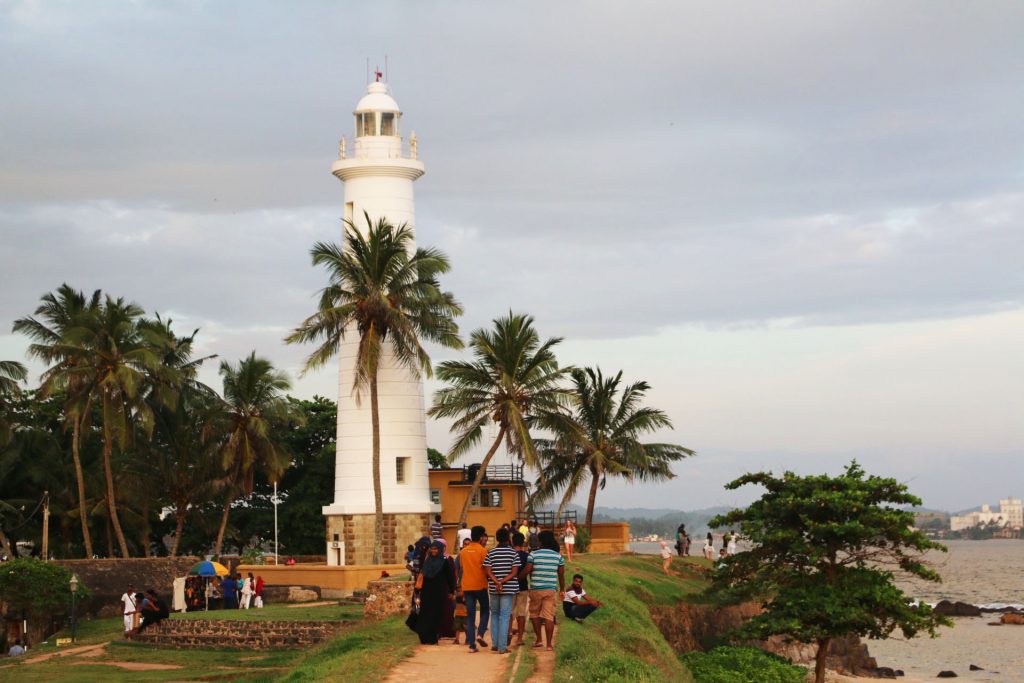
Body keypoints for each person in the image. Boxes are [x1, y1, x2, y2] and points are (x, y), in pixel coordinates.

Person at [524, 529, 565, 651]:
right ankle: (549, 645)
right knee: (549, 616)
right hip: (550, 590)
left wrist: (518, 577)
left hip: (536, 589)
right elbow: (561, 575)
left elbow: (528, 570)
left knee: (535, 614)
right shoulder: (558, 556)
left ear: (541, 541)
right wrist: (562, 589)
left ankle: (539, 640)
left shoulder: (533, 555)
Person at [484, 527, 520, 654]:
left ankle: (495, 644)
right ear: (508, 539)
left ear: (497, 538)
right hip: (508, 588)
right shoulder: (513, 553)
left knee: (494, 614)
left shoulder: (491, 553)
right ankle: (502, 647)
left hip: (494, 588)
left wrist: (496, 581)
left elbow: (488, 571)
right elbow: (514, 572)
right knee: (504, 616)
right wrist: (503, 582)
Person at [415, 540, 456, 645]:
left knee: (436, 615)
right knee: (426, 614)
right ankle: (425, 637)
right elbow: (422, 575)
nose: (433, 550)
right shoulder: (428, 561)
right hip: (426, 592)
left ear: (441, 549)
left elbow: (449, 576)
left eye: (435, 549)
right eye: (432, 548)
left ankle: (433, 637)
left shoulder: (444, 560)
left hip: (439, 593)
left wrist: (452, 590)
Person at [459, 525, 490, 652]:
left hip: (467, 586)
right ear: (482, 537)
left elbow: (462, 567)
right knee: (485, 610)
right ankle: (480, 634)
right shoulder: (483, 551)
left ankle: (472, 645)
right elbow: (486, 568)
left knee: (470, 616)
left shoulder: (463, 551)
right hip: (480, 585)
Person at [509, 531, 531, 647]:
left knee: (509, 612)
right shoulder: (527, 556)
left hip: (510, 587)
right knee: (521, 613)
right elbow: (529, 570)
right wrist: (519, 577)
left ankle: (508, 633)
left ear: (512, 542)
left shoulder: (509, 554)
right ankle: (520, 638)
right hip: (522, 587)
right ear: (523, 543)